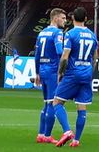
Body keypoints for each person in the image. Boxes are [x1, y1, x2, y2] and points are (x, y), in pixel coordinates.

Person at [52, 7, 97, 148]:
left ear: (72, 19)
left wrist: (60, 73)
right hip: (87, 73)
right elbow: (95, 57)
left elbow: (65, 57)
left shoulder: (70, 34)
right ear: (85, 19)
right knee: (81, 107)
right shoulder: (92, 35)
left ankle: (67, 131)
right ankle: (76, 140)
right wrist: (90, 72)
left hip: (73, 73)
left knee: (57, 102)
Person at [35, 8, 70, 143]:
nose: (65, 21)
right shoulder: (57, 33)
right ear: (55, 18)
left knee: (46, 103)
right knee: (52, 103)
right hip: (53, 70)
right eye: (63, 18)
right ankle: (47, 136)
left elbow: (37, 55)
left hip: (43, 69)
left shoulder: (42, 33)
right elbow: (60, 51)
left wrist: (37, 72)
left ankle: (41, 134)